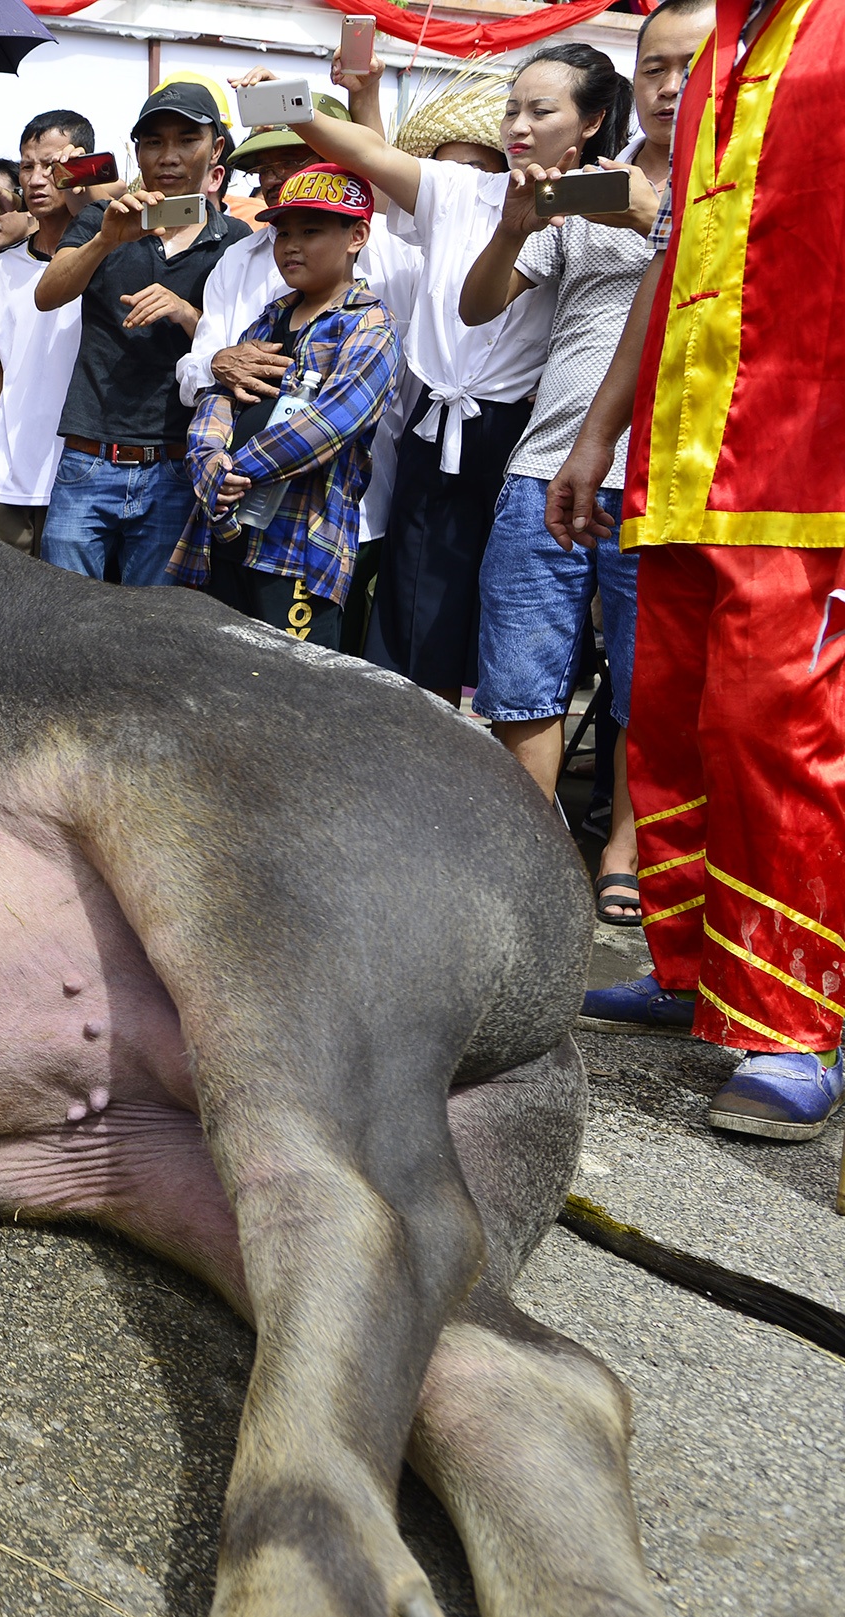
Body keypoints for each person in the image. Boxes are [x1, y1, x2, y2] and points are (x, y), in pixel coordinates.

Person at [556, 0, 845, 1138]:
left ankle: (796, 1020)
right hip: (679, 464)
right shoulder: (722, 45)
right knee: (671, 724)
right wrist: (597, 433)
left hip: (807, 468)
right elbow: (673, 259)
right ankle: (698, 972)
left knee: (780, 736)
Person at [460, 3, 711, 928]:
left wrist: (664, 220)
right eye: (654, 69)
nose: (671, 87)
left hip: (674, 478)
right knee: (520, 673)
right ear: (627, 87)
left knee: (653, 684)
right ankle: (538, 852)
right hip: (548, 462)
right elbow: (478, 306)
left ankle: (624, 852)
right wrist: (512, 228)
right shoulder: (586, 187)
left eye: (690, 66)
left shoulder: (738, 191)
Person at [290, 52, 623, 700]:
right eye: (512, 109)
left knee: (513, 615)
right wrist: (291, 107)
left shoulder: (611, 203)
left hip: (534, 432)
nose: (518, 126)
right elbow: (368, 152)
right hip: (437, 417)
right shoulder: (458, 189)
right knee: (419, 601)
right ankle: (416, 732)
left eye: (540, 111)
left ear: (591, 122)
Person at [169, 164, 398, 649]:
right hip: (224, 533)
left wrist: (235, 471)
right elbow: (219, 397)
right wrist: (207, 462)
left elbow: (331, 423)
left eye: (310, 232)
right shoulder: (267, 318)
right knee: (215, 670)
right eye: (283, 233)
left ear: (357, 236)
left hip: (298, 548)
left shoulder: (369, 327)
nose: (291, 245)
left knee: (293, 683)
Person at [34, 80, 248, 586]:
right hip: (88, 458)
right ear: (136, 152)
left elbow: (240, 350)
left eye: (187, 140)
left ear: (216, 149)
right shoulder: (101, 218)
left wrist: (186, 313)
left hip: (176, 466)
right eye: (153, 142)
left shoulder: (236, 240)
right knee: (61, 614)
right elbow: (48, 293)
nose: (168, 156)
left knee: (155, 626)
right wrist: (106, 240)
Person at [0, 111, 90, 555]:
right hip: (5, 480)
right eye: (27, 166)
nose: (36, 179)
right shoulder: (0, 269)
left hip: (80, 480)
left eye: (52, 165)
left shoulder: (107, 258)